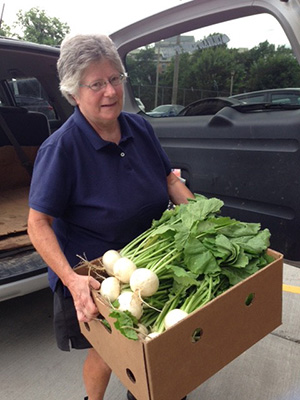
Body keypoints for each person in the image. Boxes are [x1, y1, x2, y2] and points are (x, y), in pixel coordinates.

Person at [27, 33, 193, 400]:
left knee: (160, 336)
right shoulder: (62, 149)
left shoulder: (140, 127)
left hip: (149, 258)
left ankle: (152, 390)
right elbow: (37, 224)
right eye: (97, 84)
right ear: (73, 93)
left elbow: (168, 179)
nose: (111, 92)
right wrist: (71, 280)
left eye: (115, 78)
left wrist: (197, 215)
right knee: (106, 353)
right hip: (96, 272)